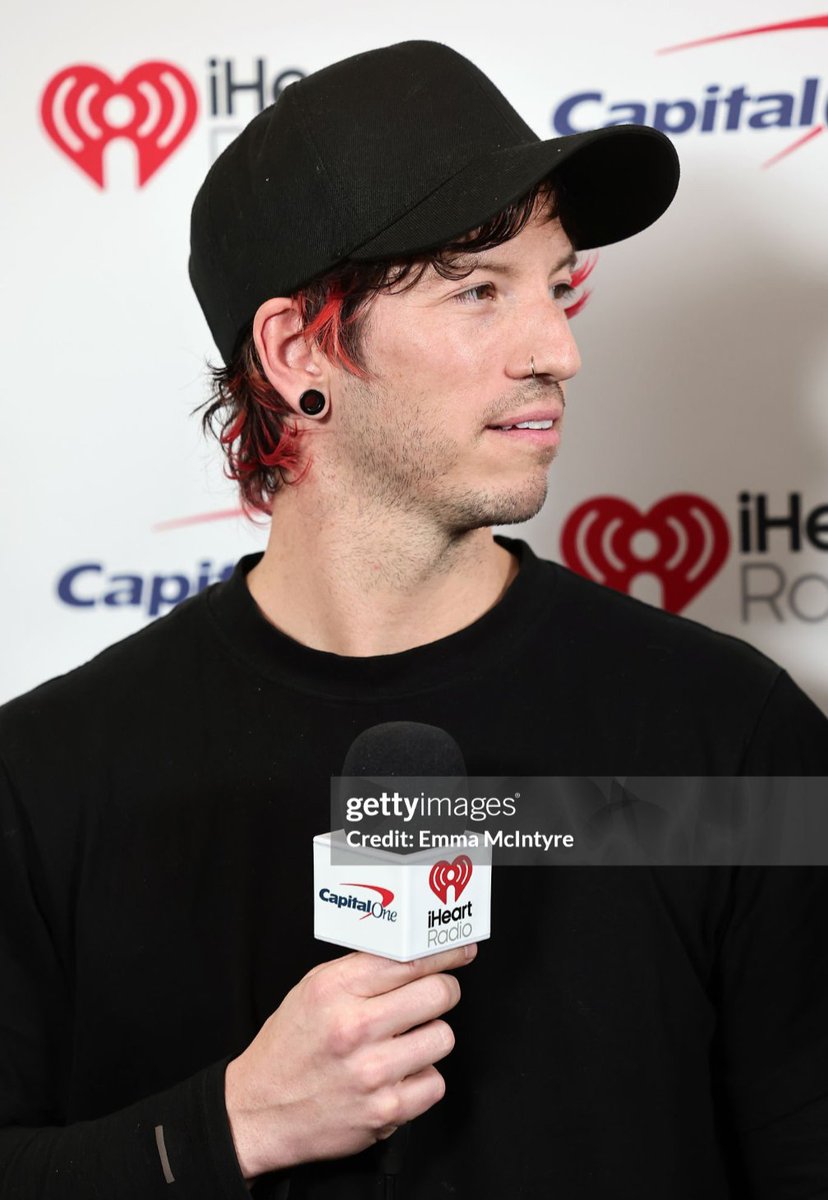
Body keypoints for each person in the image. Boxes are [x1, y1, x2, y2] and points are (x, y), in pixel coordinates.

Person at [1, 39, 827, 1200]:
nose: (560, 352)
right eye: (477, 289)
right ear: (299, 352)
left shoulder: (728, 739)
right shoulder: (48, 779)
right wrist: (226, 1127)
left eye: (557, 287)